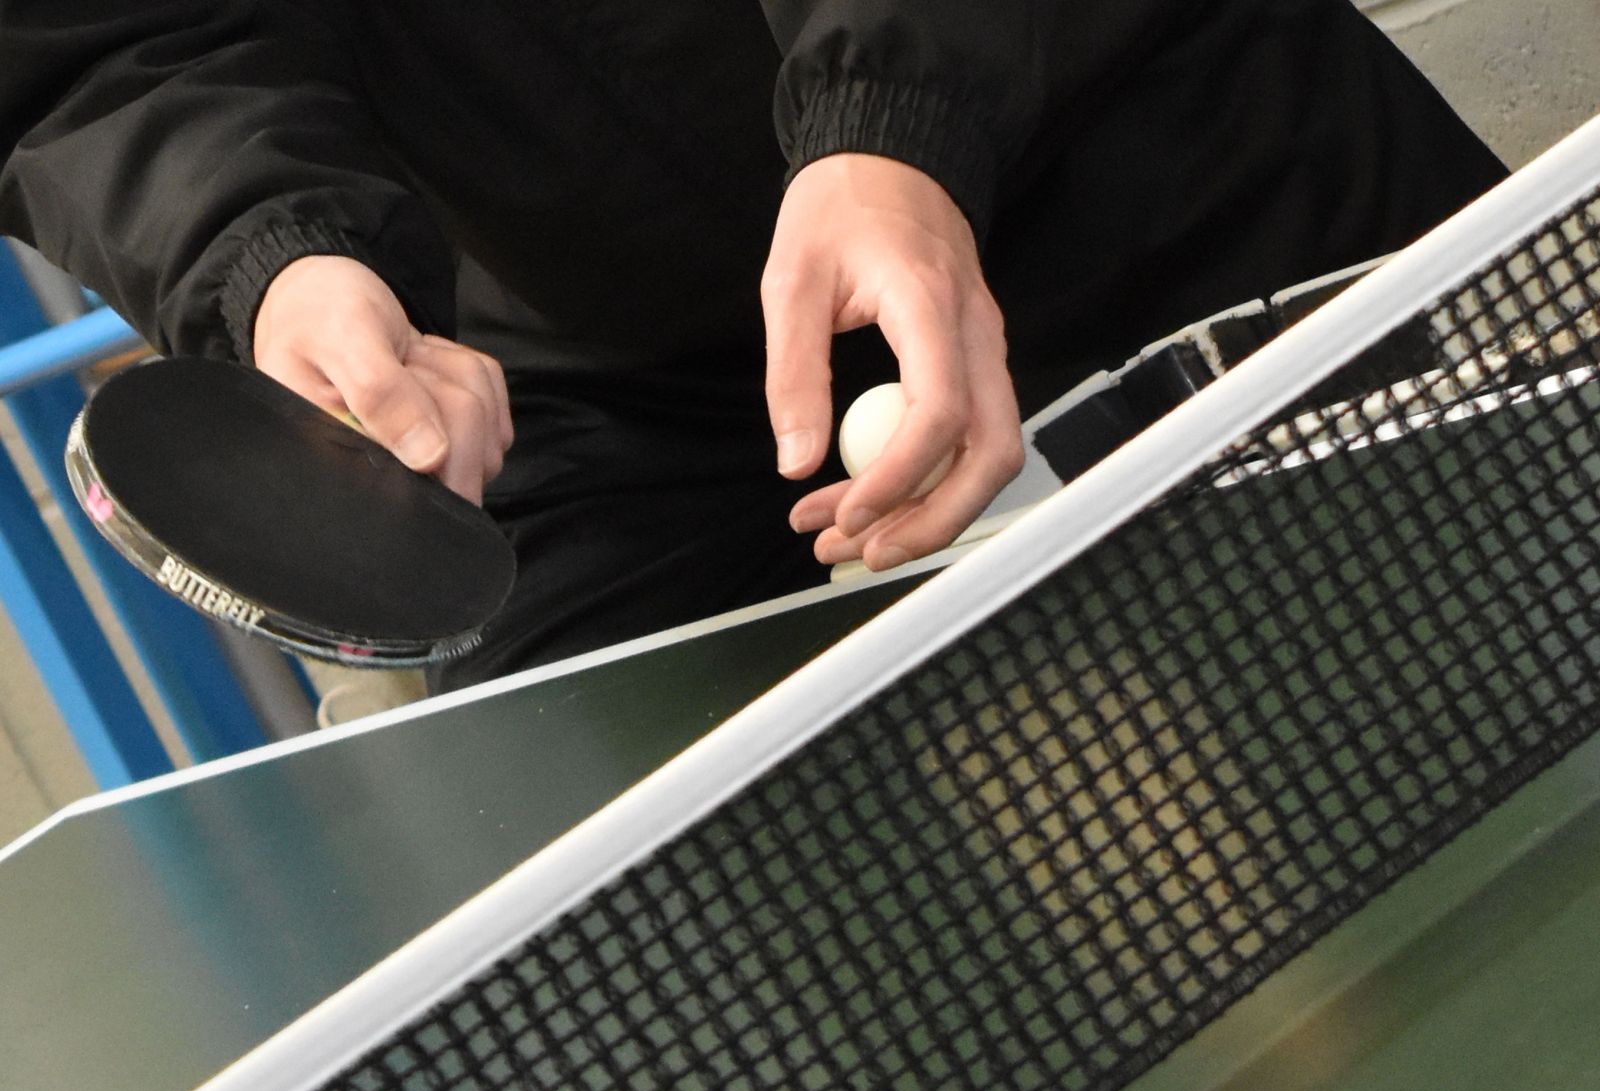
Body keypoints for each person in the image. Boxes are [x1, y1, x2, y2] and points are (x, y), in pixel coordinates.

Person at [0, 0, 1505, 691]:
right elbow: (95, 44)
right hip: (598, 372)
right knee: (626, 951)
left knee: (1492, 680)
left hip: (1137, 126)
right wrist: (270, 257)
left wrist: (895, 119)